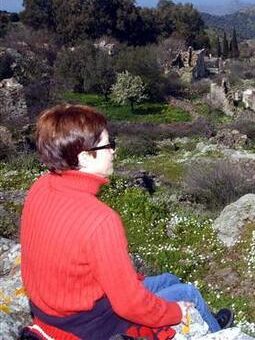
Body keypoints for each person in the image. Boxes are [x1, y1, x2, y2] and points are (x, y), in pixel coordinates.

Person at [20, 104, 232, 340]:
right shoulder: (99, 219)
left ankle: (208, 317)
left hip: (51, 309)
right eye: (108, 145)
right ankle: (217, 332)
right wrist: (176, 311)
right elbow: (129, 305)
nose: (114, 152)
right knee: (188, 293)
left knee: (169, 279)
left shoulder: (41, 187)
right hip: (86, 323)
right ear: (84, 157)